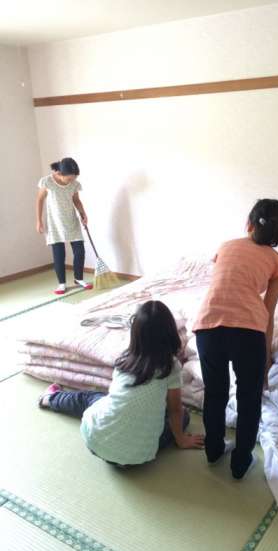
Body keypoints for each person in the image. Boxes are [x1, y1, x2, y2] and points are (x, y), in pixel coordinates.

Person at [38, 300, 204, 467]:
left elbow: (117, 396)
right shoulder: (171, 366)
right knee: (183, 415)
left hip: (95, 440)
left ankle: (49, 399)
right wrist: (181, 440)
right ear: (170, 333)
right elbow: (175, 409)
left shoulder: (125, 358)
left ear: (135, 333)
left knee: (88, 398)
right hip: (134, 459)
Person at [193, 199, 278, 480]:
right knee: (249, 398)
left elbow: (224, 283)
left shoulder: (226, 247)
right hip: (248, 333)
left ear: (249, 223)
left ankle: (213, 450)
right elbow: (268, 313)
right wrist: (266, 357)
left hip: (208, 326)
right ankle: (241, 462)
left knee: (215, 393)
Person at [36, 157, 93, 295]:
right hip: (55, 223)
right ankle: (61, 283)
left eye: (74, 178)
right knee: (59, 254)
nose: (72, 181)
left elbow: (76, 200)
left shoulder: (74, 184)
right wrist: (39, 220)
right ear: (60, 173)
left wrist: (83, 214)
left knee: (80, 251)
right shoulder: (47, 182)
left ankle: (79, 278)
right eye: (69, 178)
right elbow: (39, 200)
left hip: (71, 220)